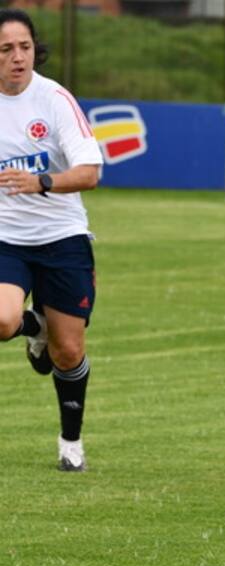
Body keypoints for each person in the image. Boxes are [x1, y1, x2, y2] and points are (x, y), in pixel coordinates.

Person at [0, 9, 101, 471]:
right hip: (7, 238)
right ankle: (32, 327)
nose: (17, 58)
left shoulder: (55, 99)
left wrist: (40, 182)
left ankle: (70, 441)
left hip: (62, 237)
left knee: (68, 351)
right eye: (6, 50)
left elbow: (90, 172)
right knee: (2, 321)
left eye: (23, 47)